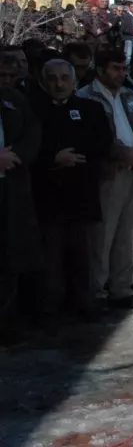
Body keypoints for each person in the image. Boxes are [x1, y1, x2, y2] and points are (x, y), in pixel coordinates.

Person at [29, 59, 111, 322]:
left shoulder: (91, 108)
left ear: (75, 81)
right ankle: (49, 306)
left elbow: (102, 143)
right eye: (52, 78)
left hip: (81, 192)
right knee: (50, 255)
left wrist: (76, 156)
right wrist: (53, 158)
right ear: (43, 82)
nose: (59, 83)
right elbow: (28, 148)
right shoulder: (33, 109)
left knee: (82, 252)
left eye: (64, 77)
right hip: (47, 194)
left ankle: (82, 303)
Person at [77, 48, 133, 309]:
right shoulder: (85, 97)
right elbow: (91, 137)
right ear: (100, 69)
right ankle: (96, 292)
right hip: (107, 173)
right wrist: (119, 152)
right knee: (102, 237)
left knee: (131, 233)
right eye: (115, 68)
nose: (121, 73)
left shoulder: (129, 96)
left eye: (123, 69)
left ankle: (122, 289)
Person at [0, 77, 40, 330]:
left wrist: (16, 156)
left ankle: (6, 320)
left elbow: (33, 132)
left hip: (11, 186)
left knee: (10, 253)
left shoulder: (11, 97)